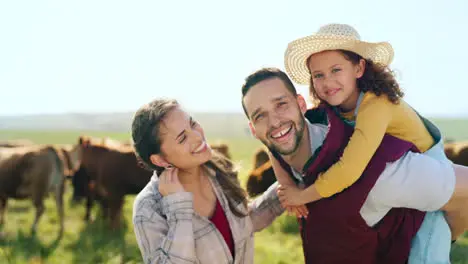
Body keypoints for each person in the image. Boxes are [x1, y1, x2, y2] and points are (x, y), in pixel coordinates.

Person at [275, 23, 468, 240]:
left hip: (426, 167)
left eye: (336, 70)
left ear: (359, 68)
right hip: (395, 174)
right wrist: (287, 184)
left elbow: (348, 170)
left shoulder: (375, 104)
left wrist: (302, 196)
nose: (327, 82)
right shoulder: (334, 109)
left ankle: (448, 237)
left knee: (429, 247)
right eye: (318, 75)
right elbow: (277, 139)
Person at [241, 67, 453, 263]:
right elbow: (278, 198)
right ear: (253, 129)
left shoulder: (375, 168)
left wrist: (447, 236)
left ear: (301, 104)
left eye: (281, 104)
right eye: (261, 116)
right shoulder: (292, 167)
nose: (274, 122)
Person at [131, 98, 284, 264]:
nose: (197, 137)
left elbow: (243, 223)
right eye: (182, 138)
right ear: (160, 160)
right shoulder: (148, 209)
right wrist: (178, 209)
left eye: (193, 124)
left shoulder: (218, 169)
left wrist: (292, 185)